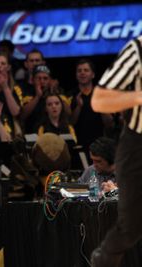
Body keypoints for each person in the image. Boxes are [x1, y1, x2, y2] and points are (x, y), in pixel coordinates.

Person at [90, 35, 142, 267]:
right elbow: (99, 100)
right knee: (131, 227)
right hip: (137, 145)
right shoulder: (137, 50)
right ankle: (101, 262)